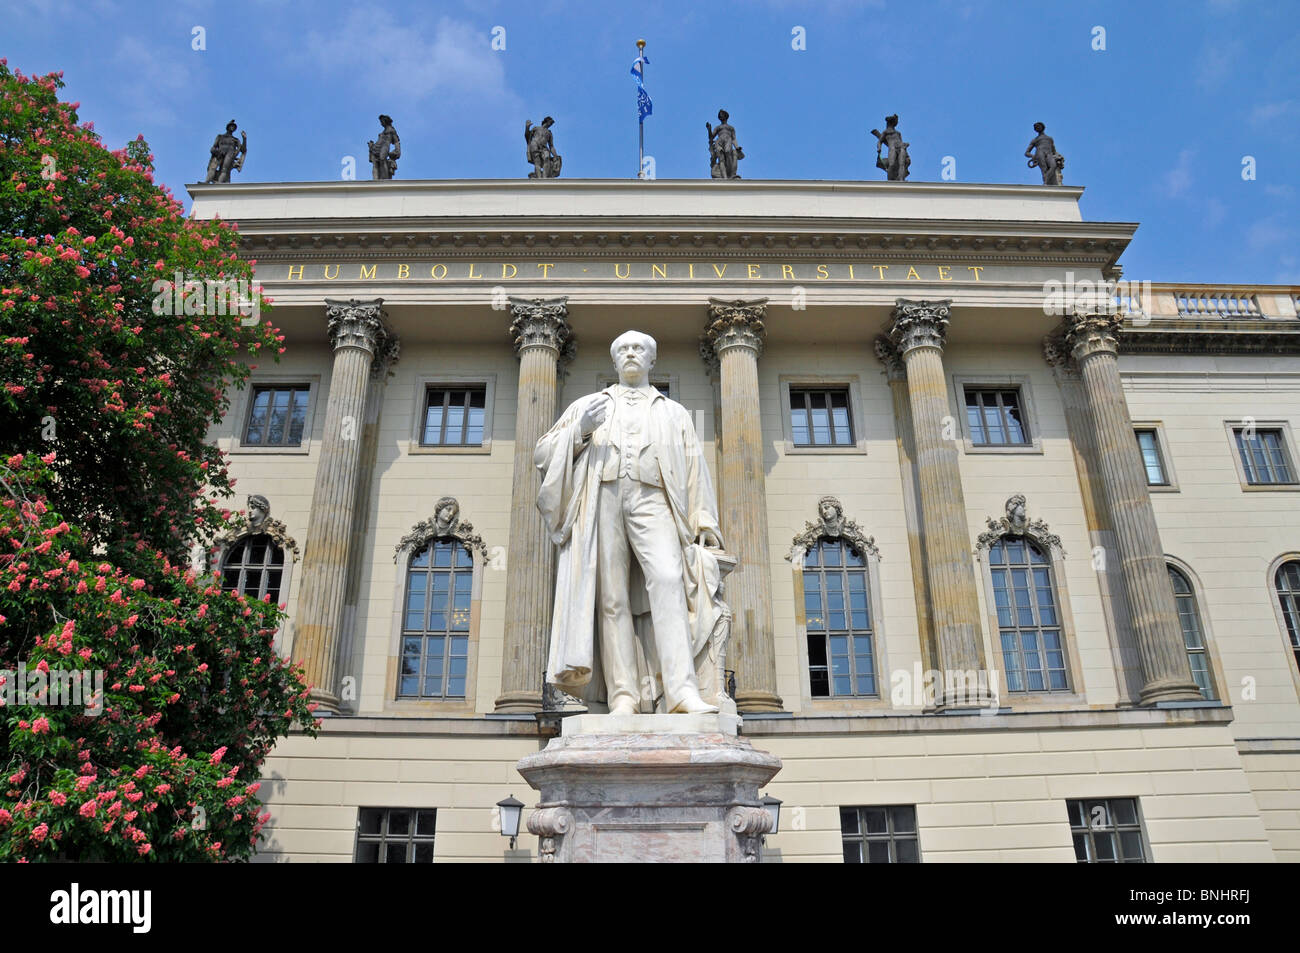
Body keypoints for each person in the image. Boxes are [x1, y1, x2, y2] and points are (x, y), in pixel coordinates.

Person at [536, 331, 728, 715]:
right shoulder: (589, 405)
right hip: (603, 497)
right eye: (622, 349)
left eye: (638, 348)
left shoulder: (674, 413)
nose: (630, 354)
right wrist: (580, 431)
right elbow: (542, 452)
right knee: (612, 598)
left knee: (670, 581)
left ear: (652, 361)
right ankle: (623, 695)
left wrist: (703, 519)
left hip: (653, 497)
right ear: (614, 361)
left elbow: (695, 469)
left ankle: (681, 691)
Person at [870, 114, 910, 181]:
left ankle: (901, 179)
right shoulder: (886, 132)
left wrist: (907, 155)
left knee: (901, 164)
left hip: (901, 148)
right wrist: (879, 148)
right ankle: (890, 181)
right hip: (892, 149)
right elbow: (880, 141)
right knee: (891, 165)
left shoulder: (898, 133)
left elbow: (901, 142)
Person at [707, 110, 743, 179]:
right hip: (719, 142)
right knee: (721, 159)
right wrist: (709, 129)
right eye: (720, 115)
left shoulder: (731, 128)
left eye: (722, 114)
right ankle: (725, 178)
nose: (721, 116)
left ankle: (731, 174)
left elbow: (734, 139)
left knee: (728, 153)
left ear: (726, 116)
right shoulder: (718, 127)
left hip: (728, 141)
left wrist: (737, 147)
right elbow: (711, 137)